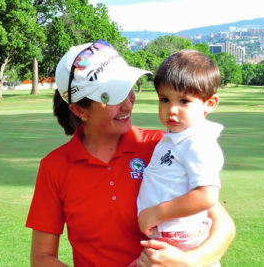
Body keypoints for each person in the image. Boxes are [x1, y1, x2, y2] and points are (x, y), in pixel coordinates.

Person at [26, 39, 235, 267]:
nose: (127, 104)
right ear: (79, 110)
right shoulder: (55, 166)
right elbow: (42, 258)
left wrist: (189, 260)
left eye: (127, 90)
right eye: (112, 97)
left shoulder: (162, 146)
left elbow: (223, 224)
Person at [131, 50, 224, 267]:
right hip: (166, 237)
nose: (171, 110)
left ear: (209, 104)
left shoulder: (198, 141)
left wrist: (155, 212)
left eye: (184, 101)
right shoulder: (174, 138)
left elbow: (207, 196)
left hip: (181, 240)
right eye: (164, 99)